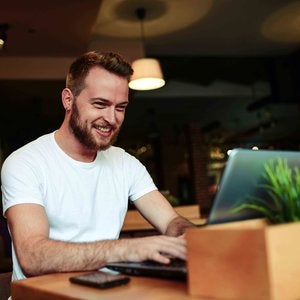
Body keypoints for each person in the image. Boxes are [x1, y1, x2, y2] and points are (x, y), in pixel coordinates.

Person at [1, 51, 195, 281]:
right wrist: (126, 250)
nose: (112, 118)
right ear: (68, 100)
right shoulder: (25, 162)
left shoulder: (125, 164)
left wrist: (194, 238)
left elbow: (171, 221)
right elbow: (33, 257)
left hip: (105, 292)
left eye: (120, 107)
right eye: (100, 104)